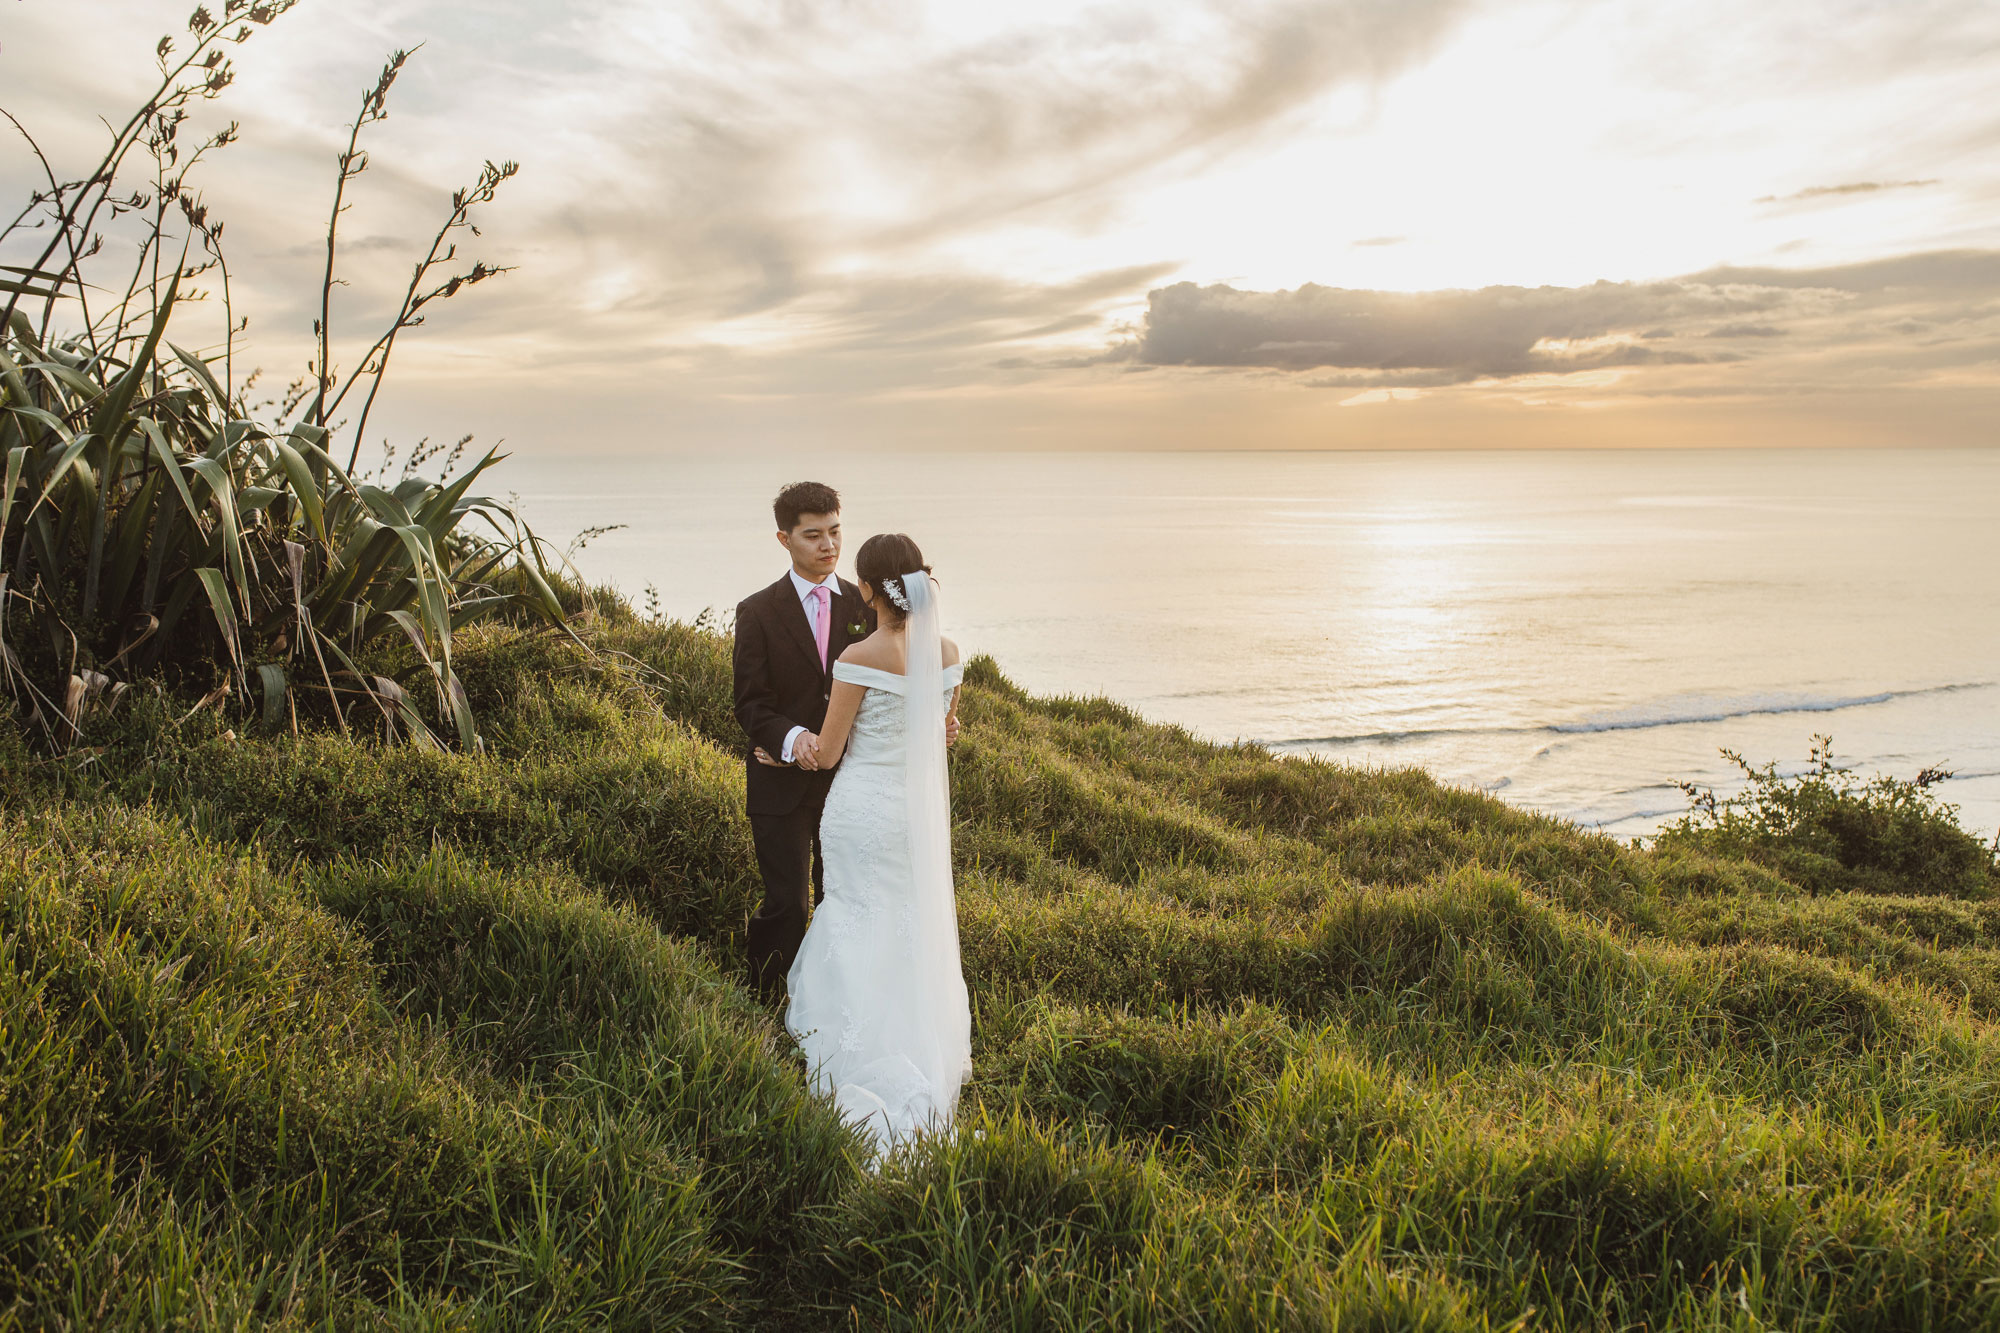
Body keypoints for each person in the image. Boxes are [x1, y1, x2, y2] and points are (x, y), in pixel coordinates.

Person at [781, 532, 973, 1161]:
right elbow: (940, 733)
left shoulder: (858, 656)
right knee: (905, 923)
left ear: (865, 588)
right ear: (919, 580)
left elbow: (830, 751)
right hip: (914, 816)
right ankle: (918, 1049)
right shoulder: (947, 652)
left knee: (857, 917)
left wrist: (791, 746)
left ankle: (857, 1053)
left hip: (862, 810)